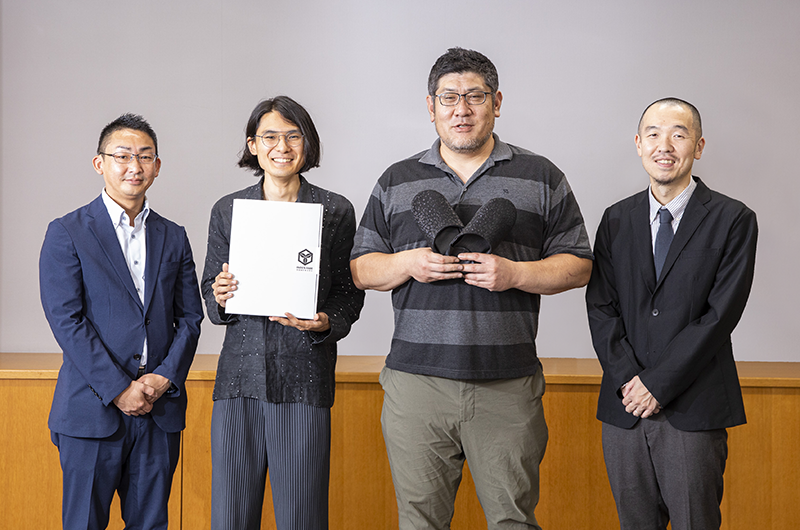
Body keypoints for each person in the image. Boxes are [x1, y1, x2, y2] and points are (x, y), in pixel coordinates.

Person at [350, 47, 593, 529]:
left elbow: (578, 265)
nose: (462, 110)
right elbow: (361, 269)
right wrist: (406, 262)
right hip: (416, 384)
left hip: (506, 384)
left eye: (475, 97)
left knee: (513, 522)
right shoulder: (397, 180)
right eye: (449, 98)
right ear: (431, 106)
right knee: (420, 522)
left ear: (497, 102)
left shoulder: (541, 176)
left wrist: (515, 274)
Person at [585, 98, 758, 530]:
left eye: (679, 134)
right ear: (639, 144)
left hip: (693, 408)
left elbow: (721, 315)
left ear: (698, 147)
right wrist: (631, 382)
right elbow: (601, 308)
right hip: (624, 409)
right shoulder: (616, 219)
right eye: (655, 134)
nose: (666, 144)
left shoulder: (733, 219)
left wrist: (657, 385)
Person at [202, 96, 364, 530]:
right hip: (239, 379)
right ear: (253, 145)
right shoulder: (228, 209)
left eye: (294, 136)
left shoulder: (335, 210)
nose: (282, 146)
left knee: (302, 518)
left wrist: (327, 322)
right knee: (231, 518)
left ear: (307, 144)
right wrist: (220, 294)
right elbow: (211, 295)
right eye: (270, 136)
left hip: (304, 379)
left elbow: (349, 294)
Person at [39, 113, 204, 529]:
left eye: (145, 157)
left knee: (150, 524)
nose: (135, 166)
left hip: (158, 408)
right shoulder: (68, 231)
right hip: (91, 411)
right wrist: (119, 389)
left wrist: (163, 378)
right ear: (100, 163)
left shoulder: (174, 235)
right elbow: (67, 321)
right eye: (123, 156)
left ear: (157, 166)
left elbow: (190, 318)